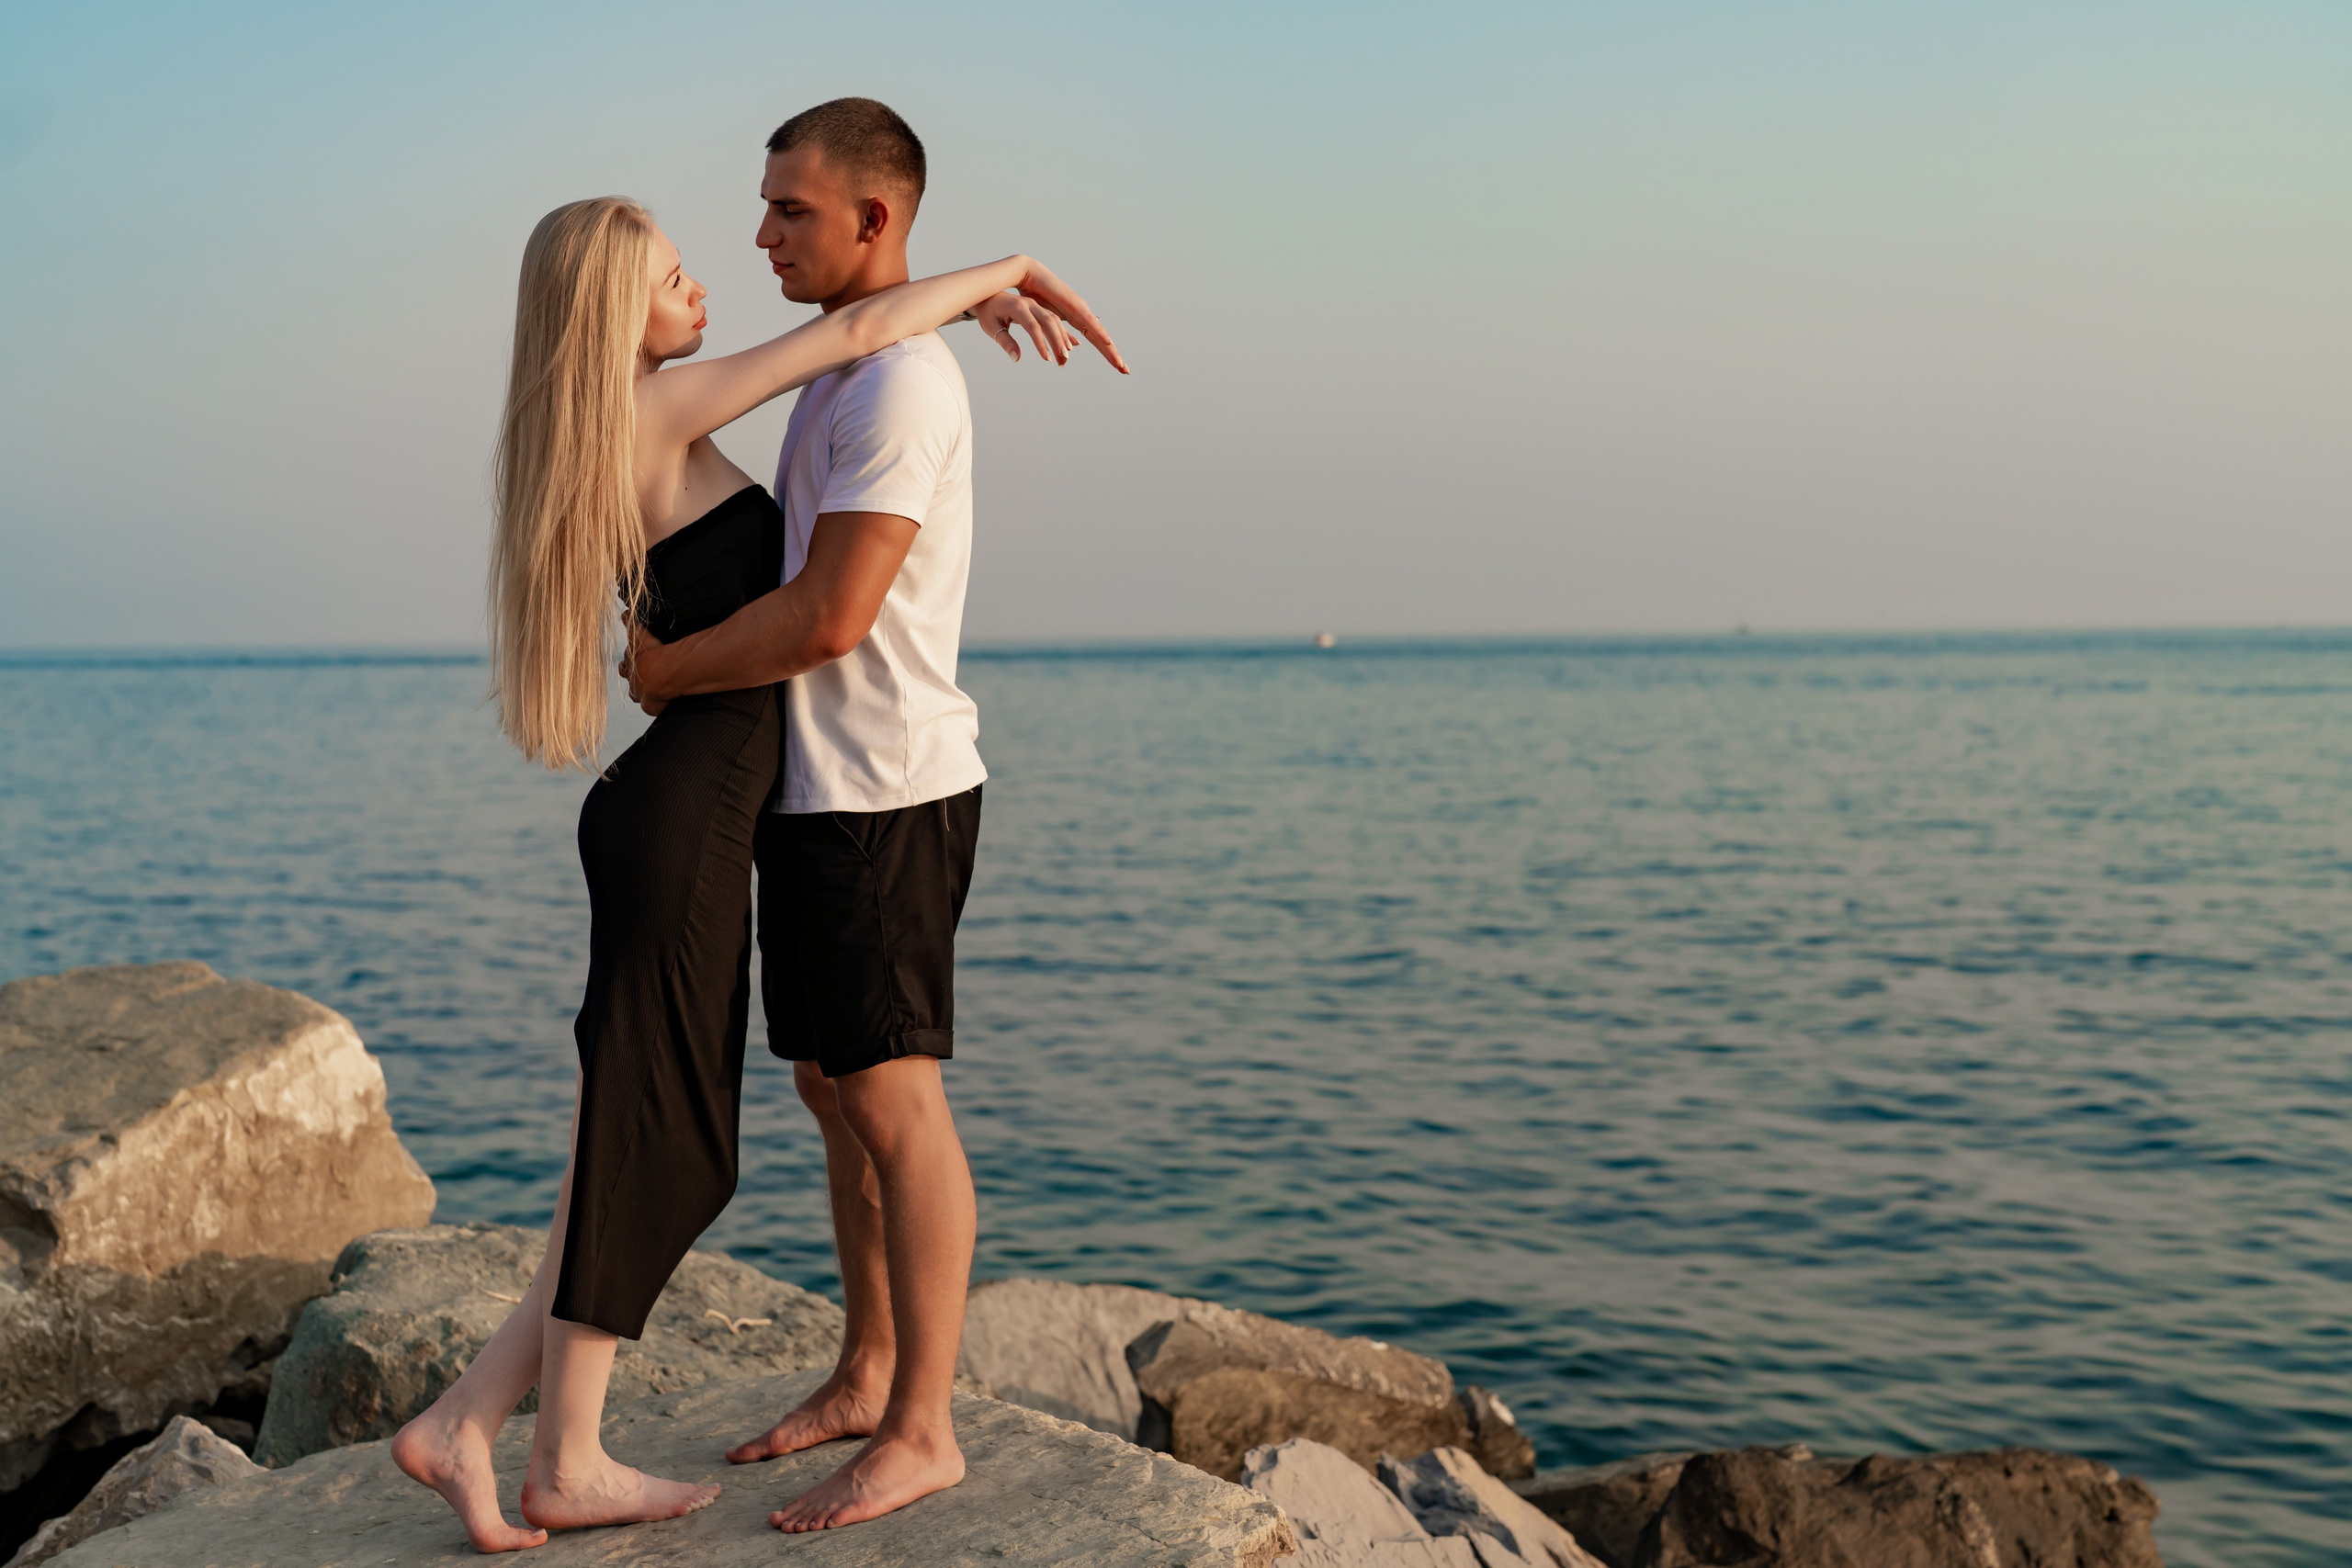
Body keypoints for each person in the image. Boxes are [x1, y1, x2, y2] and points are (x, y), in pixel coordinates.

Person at [388, 186, 1120, 1553]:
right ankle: (562, 1457)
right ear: (613, 309)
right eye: (674, 277)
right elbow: (859, 337)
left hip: (692, 811)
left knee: (639, 1132)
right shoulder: (645, 410)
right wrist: (1003, 266)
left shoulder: (617, 421)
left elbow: (857, 355)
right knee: (660, 1141)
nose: (706, 287)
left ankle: (484, 1430)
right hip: (681, 820)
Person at [624, 97, 1124, 1534]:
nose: (763, 231)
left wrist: (666, 674)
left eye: (789, 209)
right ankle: (867, 1367)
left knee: (897, 1103)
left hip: (884, 793)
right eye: (765, 205)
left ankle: (922, 1427)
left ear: (872, 220)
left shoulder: (902, 389)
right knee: (832, 1089)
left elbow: (832, 615)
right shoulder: (849, 372)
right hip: (820, 790)